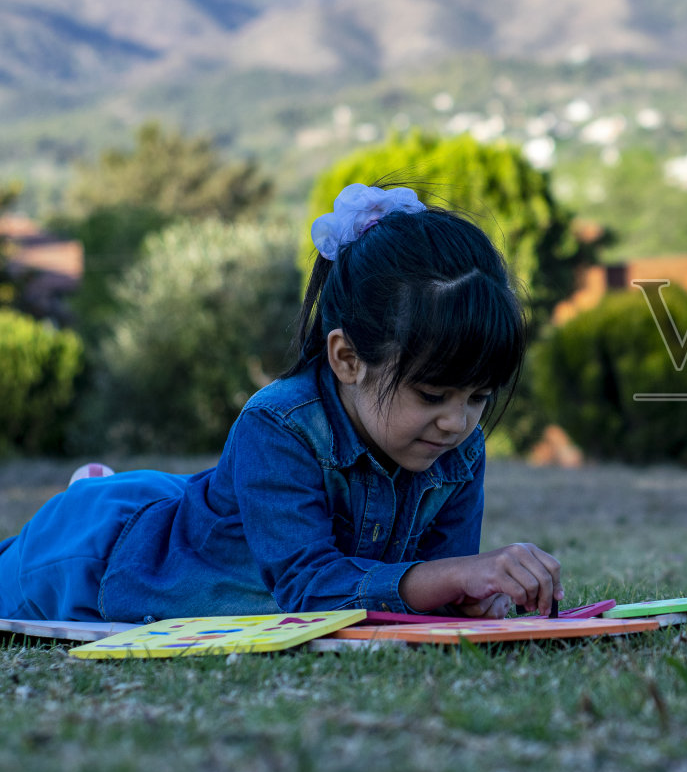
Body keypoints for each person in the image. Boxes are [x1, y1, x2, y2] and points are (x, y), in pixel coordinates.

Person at [0, 184, 561, 623]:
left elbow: (434, 583)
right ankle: (90, 495)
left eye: (479, 398)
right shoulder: (278, 425)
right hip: (93, 557)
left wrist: (470, 593)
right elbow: (310, 589)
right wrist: (457, 577)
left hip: (200, 514)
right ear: (346, 358)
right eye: (433, 394)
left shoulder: (460, 451)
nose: (456, 421)